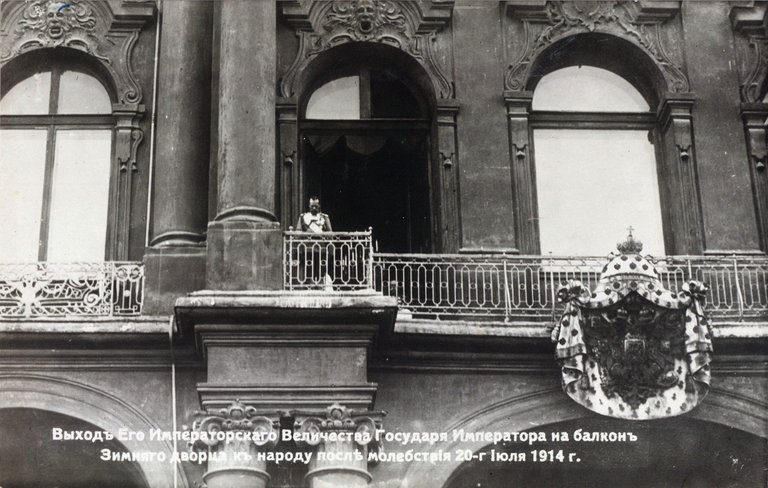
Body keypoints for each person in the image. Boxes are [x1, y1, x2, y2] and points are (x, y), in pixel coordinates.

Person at [296, 197, 333, 290]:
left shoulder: (324, 217)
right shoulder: (303, 217)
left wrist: (330, 248)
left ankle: (320, 288)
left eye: (316, 206)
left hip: (321, 249)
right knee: (308, 270)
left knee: (321, 270)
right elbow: (297, 233)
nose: (314, 208)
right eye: (312, 206)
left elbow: (330, 234)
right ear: (309, 206)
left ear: (319, 206)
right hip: (307, 248)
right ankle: (310, 288)